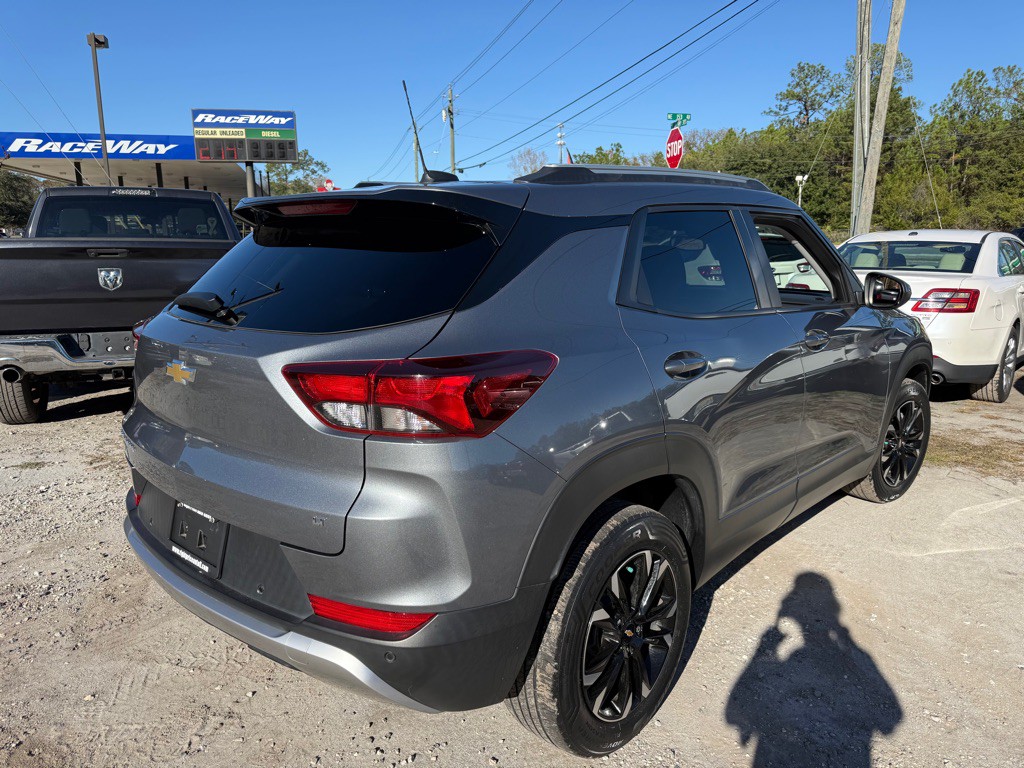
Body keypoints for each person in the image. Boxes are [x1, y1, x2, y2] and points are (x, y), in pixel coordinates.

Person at [726, 572, 902, 767]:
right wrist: (846, 640)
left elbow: (734, 713)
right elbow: (891, 719)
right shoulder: (854, 658)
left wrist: (763, 649)